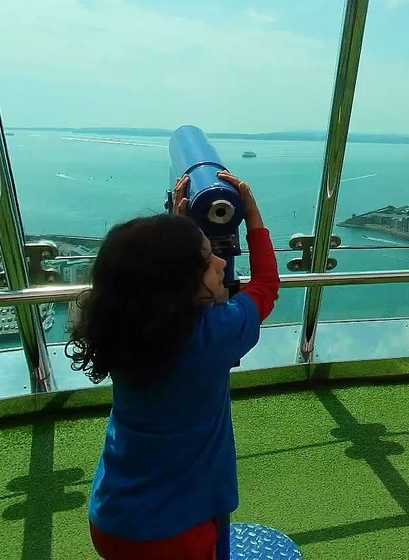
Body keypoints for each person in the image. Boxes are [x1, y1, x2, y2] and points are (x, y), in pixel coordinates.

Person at [66, 171, 279, 560]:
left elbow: (152, 273)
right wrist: (251, 216)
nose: (220, 262)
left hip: (112, 518)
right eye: (207, 260)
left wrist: (177, 227)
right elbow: (265, 285)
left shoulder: (120, 325)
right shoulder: (215, 334)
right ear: (181, 283)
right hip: (179, 531)